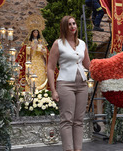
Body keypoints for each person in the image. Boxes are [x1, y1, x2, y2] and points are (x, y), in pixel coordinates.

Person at [47, 16, 91, 151]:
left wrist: (104, 69)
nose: (72, 26)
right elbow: (50, 67)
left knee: (79, 120)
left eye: (74, 23)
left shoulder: (82, 44)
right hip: (65, 84)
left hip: (82, 85)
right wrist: (53, 90)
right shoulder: (58, 43)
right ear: (64, 27)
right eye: (69, 24)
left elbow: (88, 64)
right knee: (67, 120)